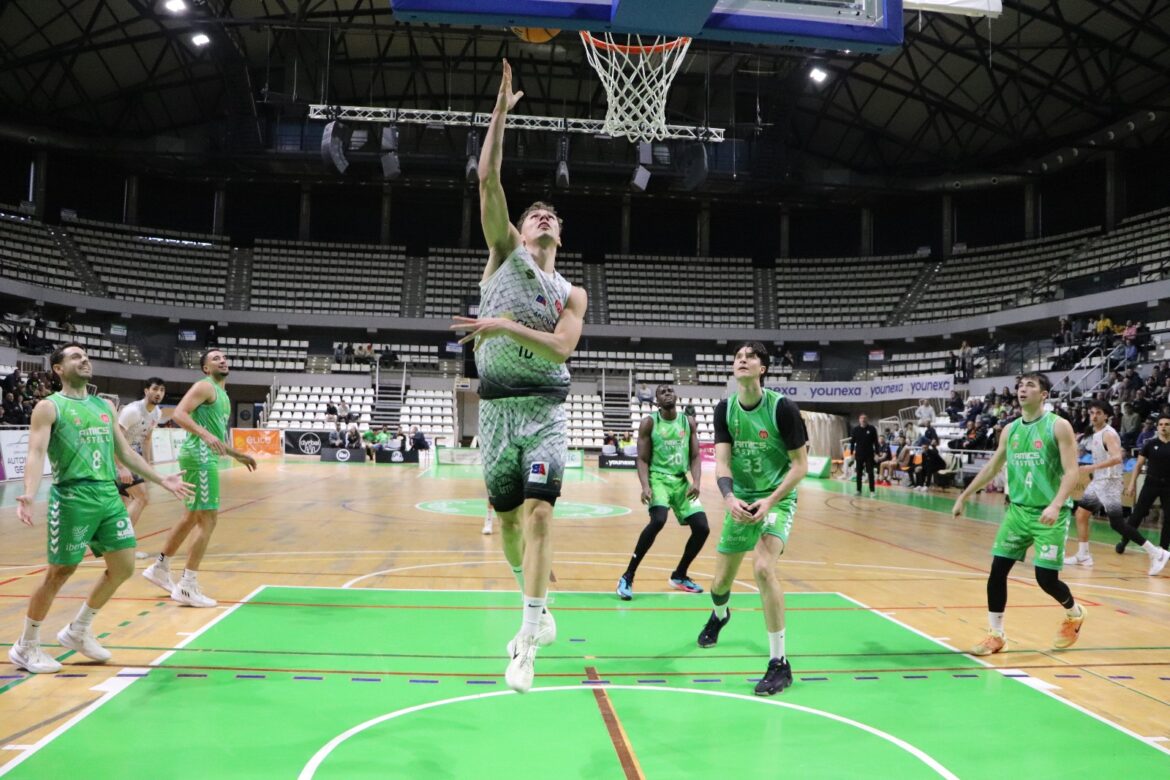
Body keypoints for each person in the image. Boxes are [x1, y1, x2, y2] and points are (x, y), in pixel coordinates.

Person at [448, 59, 588, 694]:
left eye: (550, 214)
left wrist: (504, 327)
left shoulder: (572, 292)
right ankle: (538, 606)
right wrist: (502, 107)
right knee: (507, 522)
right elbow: (487, 177)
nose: (542, 216)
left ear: (560, 232)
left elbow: (560, 351)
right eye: (534, 213)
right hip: (497, 409)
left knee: (538, 517)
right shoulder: (503, 252)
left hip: (547, 411)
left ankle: (526, 643)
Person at [9, 344, 191, 674]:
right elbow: (35, 453)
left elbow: (126, 453)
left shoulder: (104, 406)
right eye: (75, 357)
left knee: (123, 566)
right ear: (59, 369)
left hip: (107, 495)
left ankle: (78, 629)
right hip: (73, 498)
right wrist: (29, 493)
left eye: (85, 356)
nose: (84, 360)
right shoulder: (50, 407)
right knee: (59, 573)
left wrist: (162, 479)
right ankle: (26, 646)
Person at [696, 342, 808, 696]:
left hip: (777, 498)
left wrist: (770, 499)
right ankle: (720, 614)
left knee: (762, 568)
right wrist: (729, 498)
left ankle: (779, 663)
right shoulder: (724, 409)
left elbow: (800, 465)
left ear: (763, 368)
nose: (742, 360)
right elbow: (723, 464)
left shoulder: (782, 409)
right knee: (718, 586)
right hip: (741, 500)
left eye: (751, 357)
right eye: (738, 357)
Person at [951, 373, 1086, 656]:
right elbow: (991, 467)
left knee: (1046, 580)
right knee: (997, 571)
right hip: (1018, 511)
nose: (1022, 389)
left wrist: (1055, 504)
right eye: (1020, 386)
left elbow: (1072, 471)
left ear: (1044, 394)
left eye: (1030, 386)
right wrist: (964, 495)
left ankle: (1074, 613)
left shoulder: (1058, 426)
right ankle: (996, 635)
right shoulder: (1010, 430)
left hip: (1050, 513)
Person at [142, 349, 257, 607]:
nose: (223, 360)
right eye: (215, 358)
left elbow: (214, 436)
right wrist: (205, 436)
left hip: (203, 456)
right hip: (199, 456)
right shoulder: (204, 387)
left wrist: (237, 454)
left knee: (192, 516)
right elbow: (179, 414)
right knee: (208, 519)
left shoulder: (223, 394)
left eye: (224, 357)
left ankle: (160, 567)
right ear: (206, 368)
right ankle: (187, 586)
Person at [616, 384, 710, 600]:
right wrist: (645, 486)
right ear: (656, 400)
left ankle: (679, 575)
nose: (667, 393)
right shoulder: (649, 422)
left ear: (676, 396)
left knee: (702, 527)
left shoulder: (688, 422)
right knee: (658, 520)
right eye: (662, 392)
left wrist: (696, 480)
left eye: (670, 390)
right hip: (658, 479)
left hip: (680, 480)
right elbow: (641, 458)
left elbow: (695, 456)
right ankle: (628, 575)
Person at [1066, 400, 1124, 567]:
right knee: (1082, 514)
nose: (1094, 416)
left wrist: (1092, 467)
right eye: (1091, 413)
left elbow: (1117, 458)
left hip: (1107, 481)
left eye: (1098, 413)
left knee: (1116, 523)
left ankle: (1156, 552)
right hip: (1101, 480)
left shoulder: (1108, 433)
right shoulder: (1094, 433)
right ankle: (1083, 555)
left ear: (1106, 415)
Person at [116, 377, 166, 558]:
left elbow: (146, 439)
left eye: (161, 390)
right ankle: (122, 544)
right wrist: (121, 467)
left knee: (125, 504)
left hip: (131, 457)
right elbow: (115, 439)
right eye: (155, 389)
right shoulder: (132, 411)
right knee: (142, 498)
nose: (158, 393)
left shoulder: (157, 413)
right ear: (146, 391)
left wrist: (148, 466)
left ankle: (120, 548)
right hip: (116, 457)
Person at [1121, 417, 1170, 563]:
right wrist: (1131, 485)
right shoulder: (1150, 444)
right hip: (1151, 483)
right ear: (1157, 427)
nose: (1163, 427)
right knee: (1137, 515)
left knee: (1169, 518)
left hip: (1168, 486)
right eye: (1161, 424)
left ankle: (1163, 549)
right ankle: (1124, 541)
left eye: (1167, 424)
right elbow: (1138, 465)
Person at [849, 413, 879, 497]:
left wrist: (877, 453)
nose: (863, 420)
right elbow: (852, 443)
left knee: (870, 473)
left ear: (867, 419)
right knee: (858, 473)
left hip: (869, 454)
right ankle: (858, 490)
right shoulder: (855, 429)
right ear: (859, 420)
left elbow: (876, 442)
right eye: (861, 418)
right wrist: (852, 453)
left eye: (865, 418)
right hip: (859, 454)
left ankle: (872, 491)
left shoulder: (872, 429)